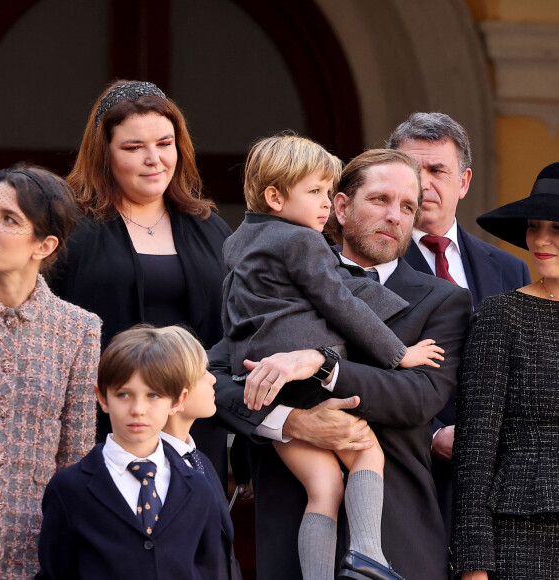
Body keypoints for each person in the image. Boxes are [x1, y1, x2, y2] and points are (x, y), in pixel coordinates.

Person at [210, 149, 473, 580]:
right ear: (342, 205)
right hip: (292, 539)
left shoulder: (444, 300)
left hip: (398, 542)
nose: (394, 215)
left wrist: (321, 364)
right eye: (380, 199)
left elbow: (418, 397)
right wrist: (285, 420)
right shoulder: (276, 271)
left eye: (407, 206)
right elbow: (212, 377)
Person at [50, 79, 232, 483]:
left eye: (165, 144)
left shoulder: (212, 228)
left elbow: (238, 334)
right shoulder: (68, 228)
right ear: (105, 155)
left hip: (194, 433)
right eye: (134, 148)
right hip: (98, 430)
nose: (154, 159)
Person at [386, 112, 531, 536]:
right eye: (412, 170)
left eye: (437, 170)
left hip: (496, 491)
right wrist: (432, 435)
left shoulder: (509, 269)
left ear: (463, 182)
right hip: (407, 477)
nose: (424, 183)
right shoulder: (368, 264)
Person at [0, 165, 101, 578]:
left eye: (9, 219)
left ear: (44, 245)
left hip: (31, 552)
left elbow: (76, 461)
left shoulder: (79, 330)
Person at [36, 326, 222, 579]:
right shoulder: (69, 488)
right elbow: (54, 572)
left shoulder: (198, 488)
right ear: (102, 398)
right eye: (124, 394)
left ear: (177, 401)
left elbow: (211, 569)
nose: (138, 409)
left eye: (153, 395)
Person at [452, 162, 559, 579]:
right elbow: (475, 451)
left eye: (556, 227)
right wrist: (474, 567)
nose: (542, 240)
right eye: (534, 226)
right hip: (522, 534)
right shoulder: (503, 313)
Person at [157, 326, 242, 580]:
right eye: (202, 372)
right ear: (176, 391)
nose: (213, 378)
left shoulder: (199, 460)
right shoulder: (154, 471)